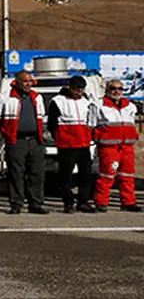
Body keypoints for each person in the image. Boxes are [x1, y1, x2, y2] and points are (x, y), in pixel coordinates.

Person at [0, 70, 48, 214]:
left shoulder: (37, 97)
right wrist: (7, 134)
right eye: (25, 81)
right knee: (16, 173)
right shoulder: (4, 97)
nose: (28, 84)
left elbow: (40, 119)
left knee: (37, 174)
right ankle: (16, 204)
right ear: (16, 82)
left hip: (35, 141)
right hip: (16, 141)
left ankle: (35, 204)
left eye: (30, 81)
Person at [47, 75, 96, 213]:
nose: (79, 92)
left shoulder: (85, 101)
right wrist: (58, 137)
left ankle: (83, 202)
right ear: (70, 87)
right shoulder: (58, 101)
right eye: (76, 89)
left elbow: (90, 120)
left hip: (84, 144)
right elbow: (52, 123)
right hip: (66, 145)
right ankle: (68, 203)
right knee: (65, 176)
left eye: (81, 89)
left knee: (86, 175)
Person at [92, 79, 139, 212]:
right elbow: (92, 124)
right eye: (113, 88)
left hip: (127, 147)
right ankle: (101, 202)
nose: (116, 91)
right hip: (108, 147)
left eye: (119, 89)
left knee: (127, 176)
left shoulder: (130, 106)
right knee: (107, 175)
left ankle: (128, 202)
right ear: (107, 90)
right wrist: (98, 138)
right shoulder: (99, 105)